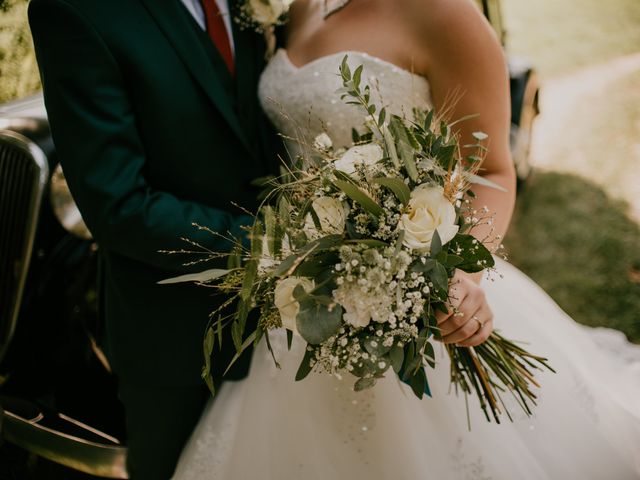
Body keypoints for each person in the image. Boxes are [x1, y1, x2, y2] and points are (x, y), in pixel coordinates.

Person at [173, 0, 640, 478]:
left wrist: (458, 276)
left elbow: (493, 170)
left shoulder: (444, 14)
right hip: (309, 300)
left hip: (420, 302)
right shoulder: (299, 9)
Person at [28, 0, 279, 477]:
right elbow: (119, 206)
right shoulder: (76, 11)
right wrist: (274, 247)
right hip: (176, 339)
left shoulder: (262, 6)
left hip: (303, 326)